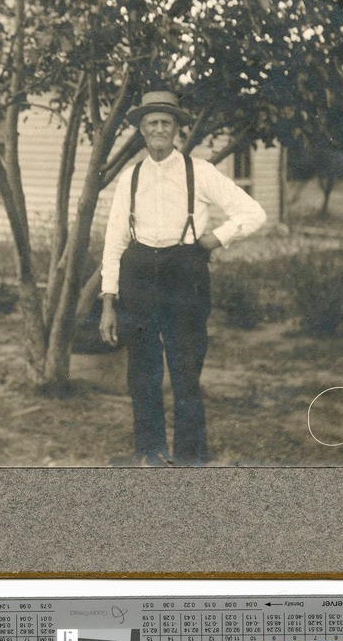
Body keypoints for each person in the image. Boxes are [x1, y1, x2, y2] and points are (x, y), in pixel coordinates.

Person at [99, 90, 266, 466]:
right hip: (138, 273)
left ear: (176, 130)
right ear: (142, 130)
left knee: (186, 369)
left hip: (185, 275)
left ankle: (191, 458)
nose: (159, 129)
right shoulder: (130, 177)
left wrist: (215, 238)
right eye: (152, 123)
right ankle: (151, 452)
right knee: (142, 371)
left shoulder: (200, 171)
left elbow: (253, 212)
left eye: (166, 123)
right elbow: (114, 240)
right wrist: (108, 302)